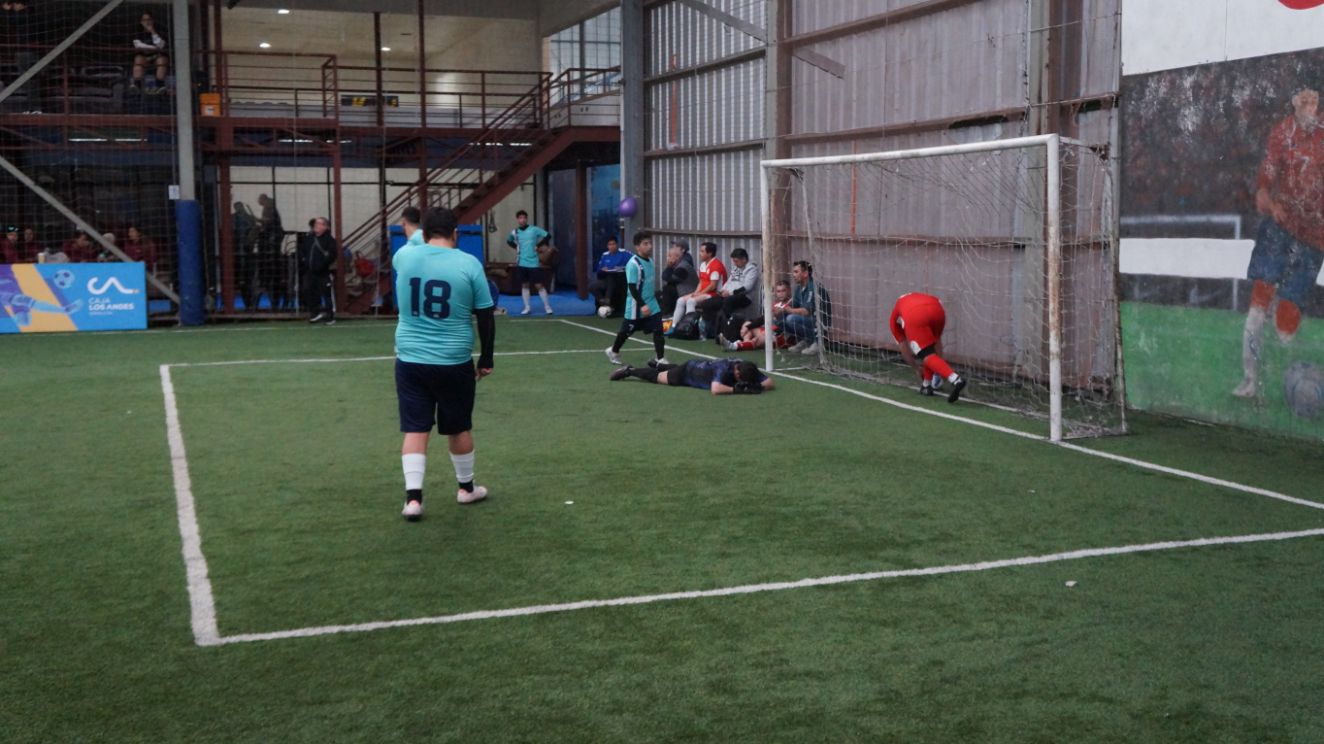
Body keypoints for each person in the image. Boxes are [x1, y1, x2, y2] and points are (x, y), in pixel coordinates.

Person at [393, 206, 496, 521]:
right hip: (453, 360)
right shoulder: (469, 263)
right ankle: (466, 489)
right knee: (458, 426)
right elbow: (485, 314)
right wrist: (486, 358)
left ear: (423, 234)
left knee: (415, 427)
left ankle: (413, 500)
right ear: (456, 234)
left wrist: (417, 236)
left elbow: (413, 242)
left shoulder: (405, 257)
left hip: (410, 359)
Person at [1233, 87, 1324, 398]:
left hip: (1314, 237)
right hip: (1280, 227)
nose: (1310, 107)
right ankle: (1249, 380)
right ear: (1294, 103)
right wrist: (1269, 200)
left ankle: (1287, 370)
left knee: (1286, 323)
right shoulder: (1282, 133)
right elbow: (1265, 179)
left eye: (1315, 102)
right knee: (1258, 303)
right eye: (1304, 101)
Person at [889, 292, 967, 402]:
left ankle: (955, 379)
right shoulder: (911, 299)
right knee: (930, 348)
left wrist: (916, 368)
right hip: (937, 308)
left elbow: (904, 347)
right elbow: (937, 343)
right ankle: (926, 386)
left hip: (916, 314)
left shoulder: (894, 319)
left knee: (925, 354)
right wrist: (940, 367)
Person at [605, 232, 667, 366]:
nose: (650, 246)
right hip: (636, 305)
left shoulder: (650, 261)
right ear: (637, 247)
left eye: (650, 243)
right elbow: (632, 288)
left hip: (652, 303)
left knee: (658, 329)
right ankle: (613, 351)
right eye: (645, 244)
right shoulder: (633, 264)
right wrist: (642, 305)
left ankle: (660, 359)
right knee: (626, 331)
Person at [610, 357, 774, 395]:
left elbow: (770, 383)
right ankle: (629, 371)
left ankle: (659, 364)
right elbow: (716, 389)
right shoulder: (723, 370)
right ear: (736, 373)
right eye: (740, 380)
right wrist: (736, 390)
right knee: (658, 377)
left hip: (699, 365)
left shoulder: (747, 367)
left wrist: (758, 386)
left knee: (669, 369)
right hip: (687, 373)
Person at [697, 247, 759, 341]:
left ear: (744, 259)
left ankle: (726, 333)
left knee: (726, 302)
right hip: (729, 294)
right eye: (734, 261)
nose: (735, 264)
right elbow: (729, 281)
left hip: (744, 297)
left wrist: (729, 292)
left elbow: (747, 287)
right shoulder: (736, 268)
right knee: (706, 304)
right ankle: (716, 329)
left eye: (737, 261)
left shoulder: (752, 269)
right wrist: (722, 290)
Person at [667, 241, 725, 334]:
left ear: (710, 254)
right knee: (680, 300)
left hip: (714, 293)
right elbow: (701, 282)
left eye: (702, 251)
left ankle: (689, 328)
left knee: (691, 301)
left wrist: (699, 294)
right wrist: (696, 292)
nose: (699, 253)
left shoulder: (716, 265)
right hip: (704, 292)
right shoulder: (703, 265)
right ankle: (674, 327)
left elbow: (713, 286)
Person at [720, 281, 793, 352]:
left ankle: (733, 346)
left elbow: (789, 325)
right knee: (747, 324)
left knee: (760, 338)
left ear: (789, 290)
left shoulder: (792, 304)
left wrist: (769, 331)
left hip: (781, 335)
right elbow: (762, 319)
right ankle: (746, 343)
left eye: (783, 291)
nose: (781, 294)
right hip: (767, 330)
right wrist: (748, 326)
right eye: (778, 291)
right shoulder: (775, 305)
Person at [778, 260, 831, 355]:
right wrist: (780, 310)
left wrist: (789, 310)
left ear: (805, 273)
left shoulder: (814, 287)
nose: (794, 275)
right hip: (807, 320)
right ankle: (804, 340)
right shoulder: (799, 288)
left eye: (796, 272)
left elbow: (806, 311)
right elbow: (792, 305)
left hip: (819, 324)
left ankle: (816, 342)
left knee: (791, 319)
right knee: (779, 317)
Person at [505, 209, 552, 315]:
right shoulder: (515, 232)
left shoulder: (534, 229)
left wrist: (538, 245)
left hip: (533, 262)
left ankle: (547, 306)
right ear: (517, 219)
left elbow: (548, 236)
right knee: (524, 285)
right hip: (521, 262)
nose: (523, 219)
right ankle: (527, 307)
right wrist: (516, 247)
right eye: (520, 218)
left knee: (538, 284)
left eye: (524, 217)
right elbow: (509, 241)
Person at [299, 217, 337, 324]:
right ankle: (315, 312)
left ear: (325, 227)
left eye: (319, 223)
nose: (316, 225)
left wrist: (322, 265)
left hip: (323, 272)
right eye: (316, 223)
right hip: (309, 271)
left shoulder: (329, 240)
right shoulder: (309, 238)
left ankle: (330, 315)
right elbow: (301, 249)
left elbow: (332, 255)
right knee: (307, 290)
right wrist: (304, 260)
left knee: (326, 293)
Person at [588, 236, 631, 316]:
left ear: (617, 244)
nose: (612, 246)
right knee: (592, 286)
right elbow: (599, 270)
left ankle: (608, 299)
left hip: (621, 280)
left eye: (613, 244)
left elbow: (634, 261)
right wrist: (602, 269)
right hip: (607, 280)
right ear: (607, 246)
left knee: (612, 277)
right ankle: (603, 301)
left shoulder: (624, 253)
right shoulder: (605, 255)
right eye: (610, 244)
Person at [131, 11, 169, 95]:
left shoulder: (160, 30)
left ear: (153, 20)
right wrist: (155, 48)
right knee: (138, 59)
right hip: (144, 57)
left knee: (162, 61)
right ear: (141, 22)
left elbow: (161, 45)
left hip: (157, 56)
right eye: (144, 20)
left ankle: (159, 85)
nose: (147, 22)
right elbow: (138, 45)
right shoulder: (137, 31)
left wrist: (153, 32)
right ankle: (137, 84)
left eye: (148, 19)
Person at [660, 242, 696, 316]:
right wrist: (670, 267)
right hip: (682, 288)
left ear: (677, 257)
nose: (668, 258)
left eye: (670, 256)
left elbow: (670, 280)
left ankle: (668, 313)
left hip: (689, 291)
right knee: (660, 293)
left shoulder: (682, 267)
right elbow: (664, 276)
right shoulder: (677, 264)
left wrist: (669, 267)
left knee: (667, 289)